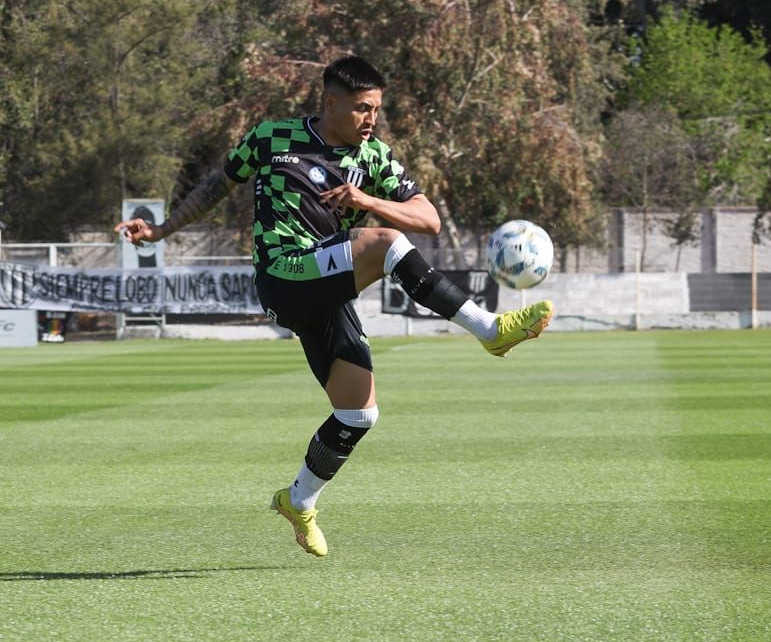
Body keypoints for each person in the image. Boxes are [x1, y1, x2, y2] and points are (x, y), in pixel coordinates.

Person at [115, 56, 553, 557]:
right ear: (330, 102)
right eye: (363, 108)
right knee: (384, 244)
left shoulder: (374, 158)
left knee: (358, 414)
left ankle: (297, 501)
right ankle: (490, 330)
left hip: (325, 281)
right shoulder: (271, 138)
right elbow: (218, 186)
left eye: (377, 110)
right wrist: (160, 230)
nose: (372, 119)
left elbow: (428, 218)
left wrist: (367, 200)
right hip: (283, 274)